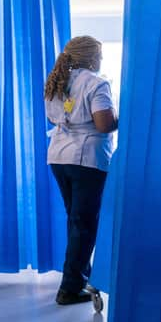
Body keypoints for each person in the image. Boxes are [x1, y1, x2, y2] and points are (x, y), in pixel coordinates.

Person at [44, 36, 118, 305]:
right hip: (86, 160)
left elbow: (56, 117)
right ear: (89, 57)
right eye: (98, 54)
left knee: (76, 222)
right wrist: (126, 117)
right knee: (84, 225)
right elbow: (103, 124)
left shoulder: (58, 81)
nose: (100, 60)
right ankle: (70, 288)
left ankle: (77, 278)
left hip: (59, 157)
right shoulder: (97, 83)